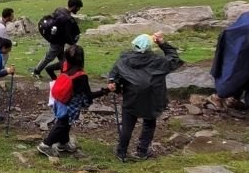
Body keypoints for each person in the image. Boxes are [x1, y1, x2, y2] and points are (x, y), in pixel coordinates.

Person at [108, 33, 184, 162]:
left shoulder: (124, 59)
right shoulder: (158, 61)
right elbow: (174, 59)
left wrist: (112, 81)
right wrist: (162, 43)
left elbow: (114, 73)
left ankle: (121, 152)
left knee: (127, 124)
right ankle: (142, 151)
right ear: (150, 47)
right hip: (152, 97)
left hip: (132, 96)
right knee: (149, 123)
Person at [36, 45, 109, 157]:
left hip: (59, 99)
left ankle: (63, 143)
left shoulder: (63, 64)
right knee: (62, 124)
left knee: (65, 123)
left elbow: (48, 68)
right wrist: (106, 90)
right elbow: (89, 95)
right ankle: (46, 144)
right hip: (70, 104)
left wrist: (58, 82)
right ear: (81, 58)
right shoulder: (81, 76)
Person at [34, 0, 84, 80]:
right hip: (57, 42)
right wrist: (73, 44)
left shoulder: (60, 9)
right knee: (49, 57)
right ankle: (36, 71)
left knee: (63, 59)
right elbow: (67, 35)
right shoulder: (67, 18)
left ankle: (65, 75)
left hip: (56, 38)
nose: (78, 9)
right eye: (78, 7)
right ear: (74, 6)